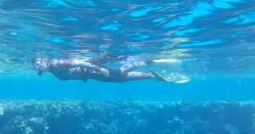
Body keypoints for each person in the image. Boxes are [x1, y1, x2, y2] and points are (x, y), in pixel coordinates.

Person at [33, 56, 185, 83]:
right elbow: (72, 75)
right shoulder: (51, 70)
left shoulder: (58, 63)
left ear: (44, 61)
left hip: (93, 71)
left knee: (119, 74)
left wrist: (98, 70)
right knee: (120, 79)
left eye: (39, 63)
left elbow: (80, 62)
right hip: (91, 75)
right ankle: (150, 74)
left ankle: (147, 63)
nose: (39, 66)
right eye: (37, 66)